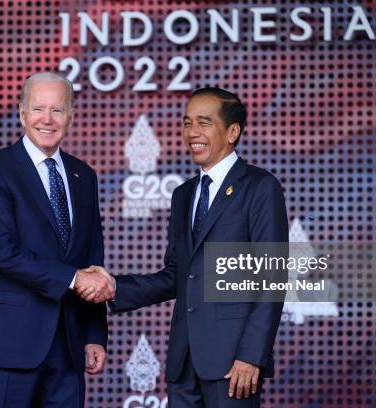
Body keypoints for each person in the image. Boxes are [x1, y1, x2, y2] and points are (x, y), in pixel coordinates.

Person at [78, 87, 288, 407]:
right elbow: (178, 274)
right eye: (187, 123)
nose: (192, 133)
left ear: (232, 131)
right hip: (183, 361)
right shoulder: (184, 194)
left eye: (203, 123)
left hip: (233, 364)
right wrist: (115, 287)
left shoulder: (259, 187)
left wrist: (251, 356)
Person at [0, 72, 114, 407]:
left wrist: (93, 334)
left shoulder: (83, 175)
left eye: (57, 110)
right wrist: (74, 279)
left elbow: (91, 258)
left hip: (69, 344)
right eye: (38, 109)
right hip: (6, 342)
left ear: (71, 116)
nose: (47, 119)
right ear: (22, 113)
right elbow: (1, 252)